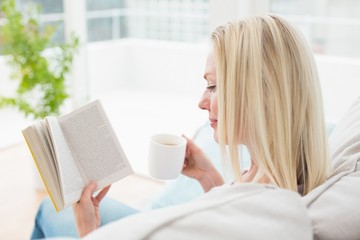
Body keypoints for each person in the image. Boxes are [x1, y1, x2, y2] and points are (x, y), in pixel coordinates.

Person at [30, 13, 330, 239]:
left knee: (48, 211)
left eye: (213, 86)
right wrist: (208, 177)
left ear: (261, 96)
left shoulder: (261, 210)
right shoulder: (279, 173)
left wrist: (89, 231)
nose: (202, 102)